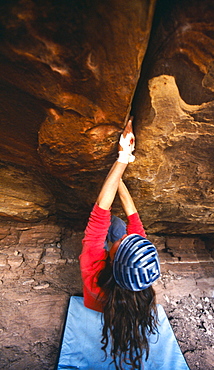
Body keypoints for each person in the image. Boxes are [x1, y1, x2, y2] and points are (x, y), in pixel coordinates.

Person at [79, 117, 161, 369]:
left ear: (111, 259)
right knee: (116, 223)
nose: (127, 236)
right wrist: (117, 173)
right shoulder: (141, 261)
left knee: (105, 225)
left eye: (120, 243)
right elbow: (133, 217)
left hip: (95, 300)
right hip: (119, 275)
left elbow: (97, 217)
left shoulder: (93, 276)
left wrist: (123, 156)